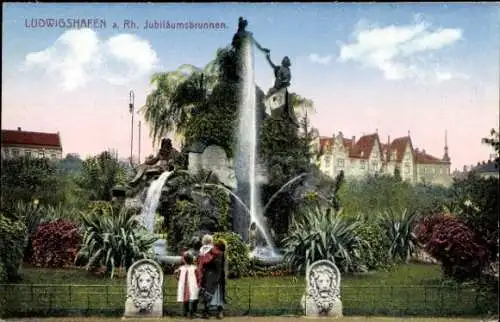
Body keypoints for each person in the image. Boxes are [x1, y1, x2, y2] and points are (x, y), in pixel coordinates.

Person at [198, 237, 227, 319]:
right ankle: (219, 312)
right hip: (219, 276)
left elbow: (203, 263)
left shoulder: (205, 251)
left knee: (208, 293)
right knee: (218, 295)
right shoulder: (220, 253)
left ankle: (206, 312)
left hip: (209, 276)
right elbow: (222, 266)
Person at [176, 252, 200, 319]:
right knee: (192, 299)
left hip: (184, 286)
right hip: (192, 286)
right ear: (192, 260)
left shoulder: (181, 268)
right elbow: (198, 277)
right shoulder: (194, 268)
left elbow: (177, 277)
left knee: (185, 299)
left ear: (184, 260)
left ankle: (185, 313)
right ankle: (191, 313)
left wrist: (176, 276)